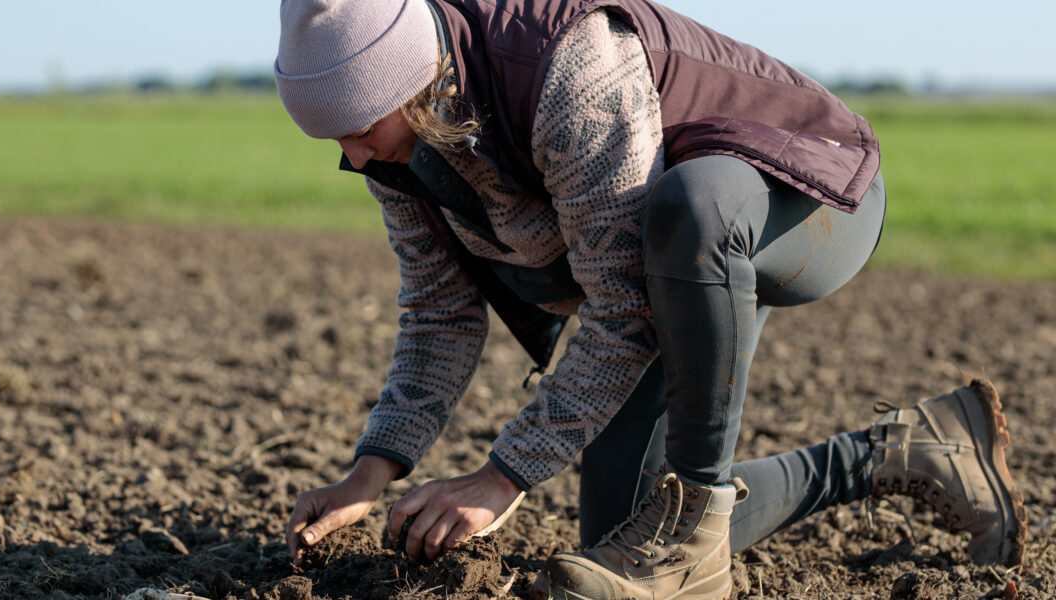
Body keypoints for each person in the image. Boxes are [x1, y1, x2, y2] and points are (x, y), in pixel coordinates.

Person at [273, 1, 1027, 598]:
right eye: (334, 141)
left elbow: (622, 302)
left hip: (807, 196)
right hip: (673, 260)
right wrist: (371, 472)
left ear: (410, 82)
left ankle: (697, 512)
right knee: (623, 545)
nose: (354, 157)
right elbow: (440, 311)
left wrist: (502, 475)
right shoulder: (400, 147)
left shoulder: (566, 63)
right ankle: (913, 452)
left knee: (691, 208)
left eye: (362, 130)